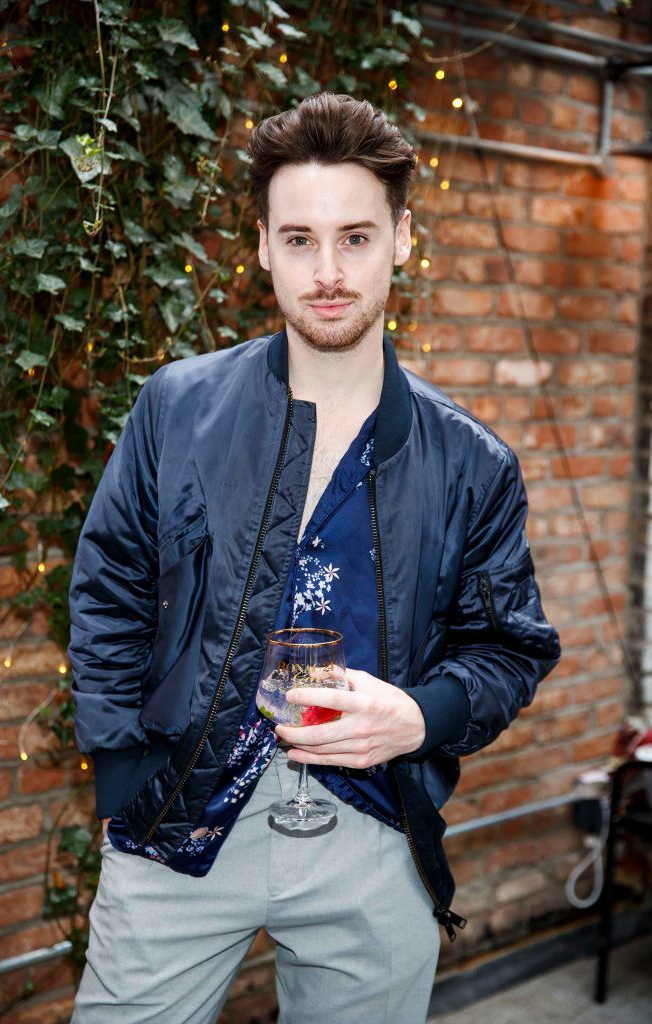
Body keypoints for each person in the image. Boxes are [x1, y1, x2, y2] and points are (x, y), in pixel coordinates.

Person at [68, 92, 561, 1024]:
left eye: (355, 238)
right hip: (175, 821)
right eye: (298, 239)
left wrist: (419, 715)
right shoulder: (177, 407)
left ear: (401, 239)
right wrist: (123, 784)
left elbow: (508, 647)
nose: (327, 272)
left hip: (371, 837)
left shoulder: (474, 462)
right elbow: (109, 592)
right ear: (261, 244)